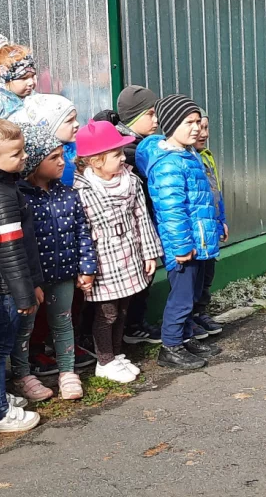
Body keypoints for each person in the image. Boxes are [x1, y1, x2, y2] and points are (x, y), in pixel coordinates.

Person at [136, 95, 223, 370]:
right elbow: (172, 211)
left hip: (199, 241)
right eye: (190, 122)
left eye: (198, 122)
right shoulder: (168, 164)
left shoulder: (189, 155)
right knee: (182, 299)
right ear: (172, 124)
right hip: (184, 246)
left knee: (193, 295)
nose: (197, 128)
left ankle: (185, 337)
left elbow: (203, 200)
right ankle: (170, 347)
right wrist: (182, 246)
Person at [74, 120, 162, 384]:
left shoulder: (131, 181)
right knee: (107, 312)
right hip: (102, 261)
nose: (123, 158)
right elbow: (81, 232)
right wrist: (85, 268)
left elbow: (142, 218)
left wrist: (149, 253)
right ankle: (104, 360)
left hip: (130, 253)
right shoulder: (82, 191)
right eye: (116, 154)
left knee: (124, 307)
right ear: (95, 161)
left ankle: (116, 353)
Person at [14, 124, 96, 401]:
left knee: (63, 323)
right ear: (35, 163)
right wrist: (30, 281)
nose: (63, 161)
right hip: (32, 280)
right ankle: (23, 374)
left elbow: (82, 232)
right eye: (54, 157)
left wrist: (87, 267)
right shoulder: (19, 197)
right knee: (24, 328)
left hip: (63, 274)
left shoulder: (68, 194)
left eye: (62, 155)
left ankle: (67, 371)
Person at [94, 84, 161, 345]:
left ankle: (132, 326)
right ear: (134, 116)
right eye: (150, 114)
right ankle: (130, 329)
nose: (156, 120)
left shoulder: (141, 144)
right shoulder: (130, 152)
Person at [0, 118, 42, 432]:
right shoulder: (1, 195)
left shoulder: (6, 186)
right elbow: (9, 251)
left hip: (4, 287)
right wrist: (23, 293)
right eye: (15, 154)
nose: (23, 157)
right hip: (1, 289)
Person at [192, 111, 227, 335]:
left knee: (207, 274)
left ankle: (201, 312)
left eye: (206, 127)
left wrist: (222, 219)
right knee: (193, 277)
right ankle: (191, 318)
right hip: (197, 232)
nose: (203, 133)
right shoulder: (186, 158)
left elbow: (216, 193)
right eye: (199, 127)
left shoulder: (206, 156)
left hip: (211, 226)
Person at [12, 93, 80, 186]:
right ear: (48, 127)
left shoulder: (78, 147)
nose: (77, 124)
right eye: (69, 120)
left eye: (76, 118)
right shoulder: (39, 155)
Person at [0, 44, 37, 119]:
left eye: (33, 76)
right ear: (6, 77)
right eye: (23, 78)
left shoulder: (35, 98)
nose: (31, 82)